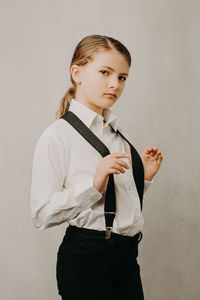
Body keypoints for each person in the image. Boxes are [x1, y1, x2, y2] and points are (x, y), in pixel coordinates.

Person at [30, 34, 163, 300]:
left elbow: (111, 205)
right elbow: (42, 214)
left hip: (126, 256)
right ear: (77, 73)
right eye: (105, 72)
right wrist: (93, 183)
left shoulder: (115, 133)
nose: (115, 84)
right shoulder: (57, 136)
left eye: (122, 77)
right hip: (87, 259)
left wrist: (142, 179)